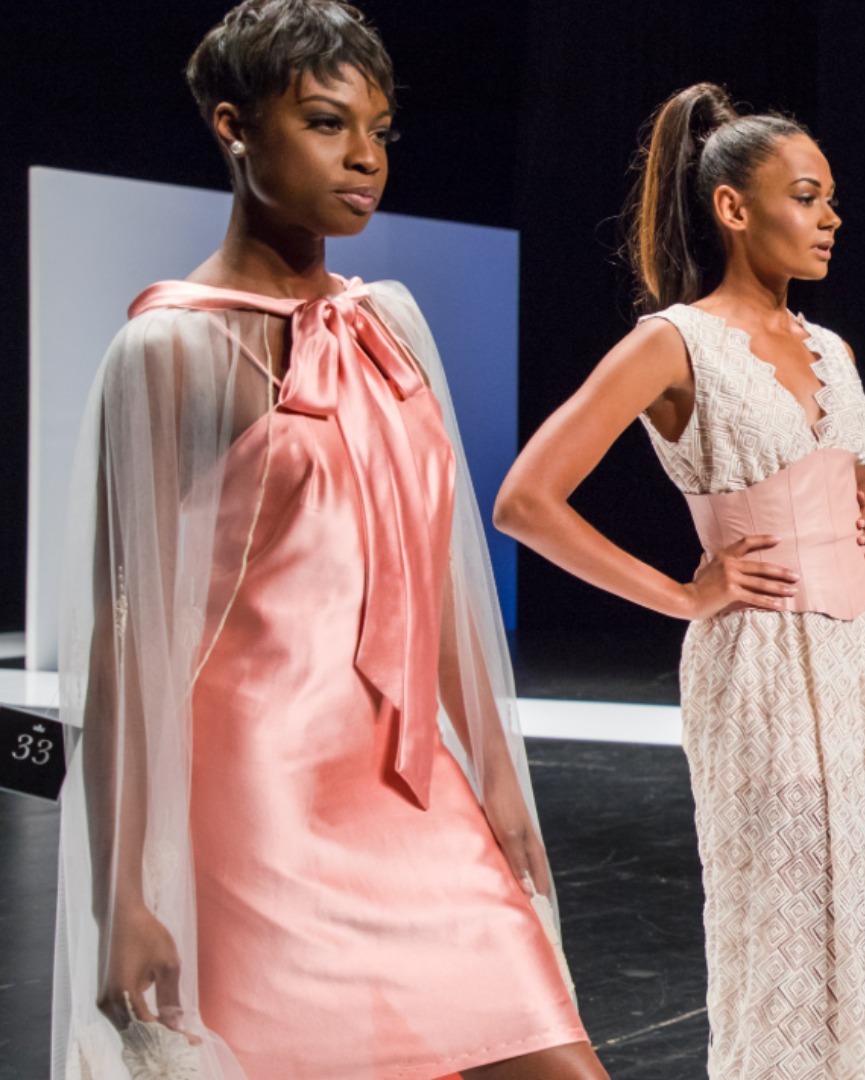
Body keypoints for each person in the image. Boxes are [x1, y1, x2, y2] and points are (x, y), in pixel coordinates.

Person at [54, 3, 602, 1077]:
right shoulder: (172, 346)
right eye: (324, 121)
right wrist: (122, 895)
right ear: (233, 126)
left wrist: (492, 776)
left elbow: (435, 568)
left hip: (410, 784)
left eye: (381, 129)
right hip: (262, 807)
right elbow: (127, 636)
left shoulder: (387, 322)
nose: (364, 156)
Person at [492, 84, 865, 1078]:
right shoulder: (675, 342)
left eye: (831, 199)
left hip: (863, 658)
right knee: (780, 919)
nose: (830, 218)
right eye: (807, 196)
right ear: (733, 207)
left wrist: (861, 517)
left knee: (862, 911)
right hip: (762, 667)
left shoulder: (834, 349)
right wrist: (684, 594)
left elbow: (844, 477)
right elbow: (526, 500)